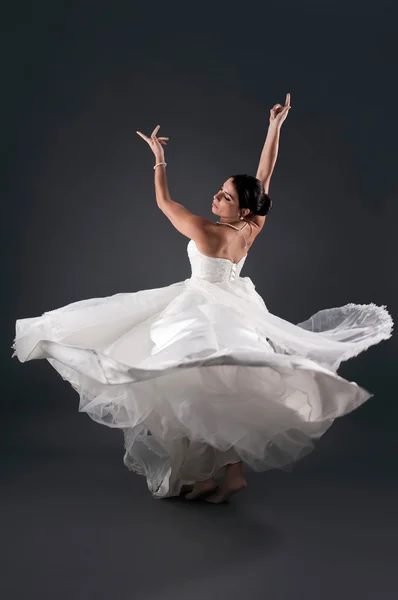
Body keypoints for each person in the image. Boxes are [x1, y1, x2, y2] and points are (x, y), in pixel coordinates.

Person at [12, 93, 393, 504]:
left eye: (226, 197)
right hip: (236, 306)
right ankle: (217, 475)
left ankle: (221, 474)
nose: (217, 198)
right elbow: (264, 176)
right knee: (214, 388)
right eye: (220, 191)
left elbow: (164, 203)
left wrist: (159, 159)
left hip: (203, 309)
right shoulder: (251, 227)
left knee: (192, 383)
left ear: (241, 209)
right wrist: (275, 127)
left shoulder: (208, 233)